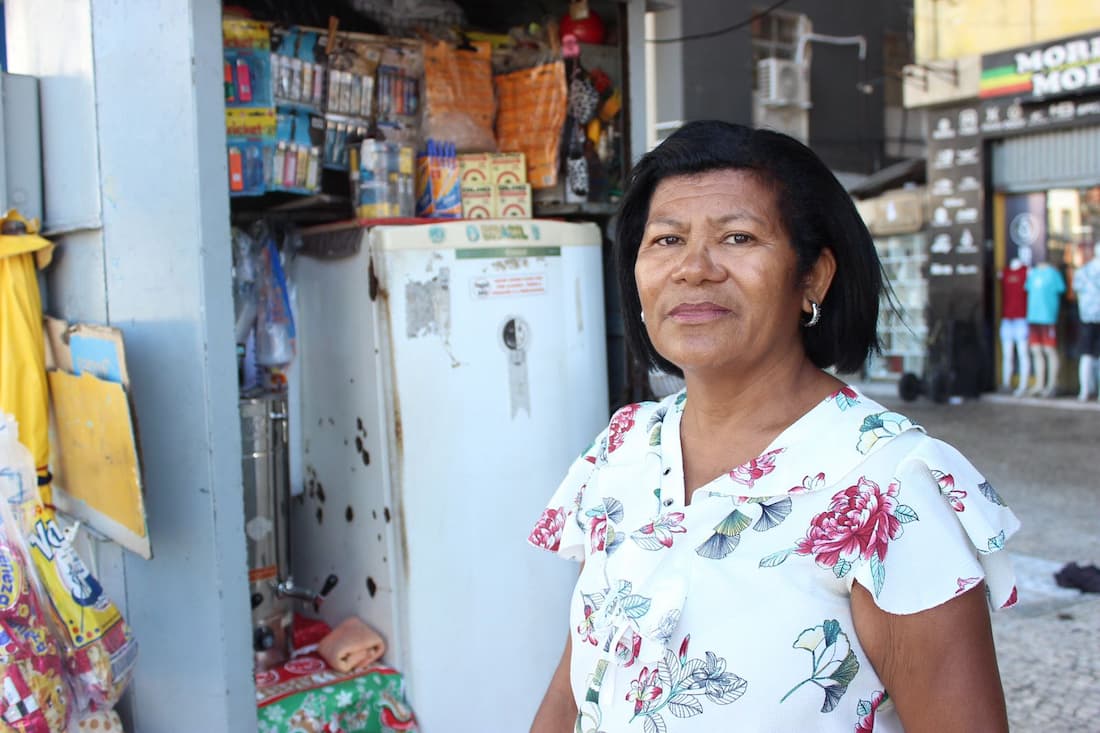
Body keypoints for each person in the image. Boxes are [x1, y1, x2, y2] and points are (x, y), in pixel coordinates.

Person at [527, 121, 1018, 733]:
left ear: (812, 276)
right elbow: (576, 688)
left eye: (737, 237)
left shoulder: (889, 487)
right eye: (666, 240)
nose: (693, 269)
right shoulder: (624, 449)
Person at [1024, 257, 1065, 397]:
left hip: (1048, 317)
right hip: (1033, 317)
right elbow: (1027, 288)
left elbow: (1061, 289)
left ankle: (1052, 384)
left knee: (1049, 350)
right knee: (1036, 350)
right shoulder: (1033, 273)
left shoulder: (1053, 273)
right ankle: (1039, 384)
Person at [1072, 242, 1100, 400]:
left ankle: (1085, 390)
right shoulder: (1083, 270)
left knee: (1087, 354)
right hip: (1091, 316)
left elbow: (1077, 292)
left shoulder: (1082, 271)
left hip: (1086, 316)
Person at [998, 256, 1029, 395]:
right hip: (1007, 318)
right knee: (1007, 354)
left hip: (1021, 318)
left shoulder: (1026, 271)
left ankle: (1023, 384)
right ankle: (1006, 383)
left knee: (1023, 353)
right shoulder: (1004, 272)